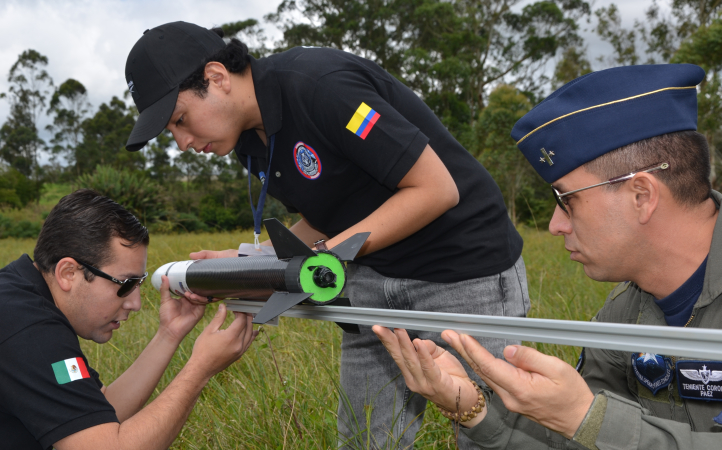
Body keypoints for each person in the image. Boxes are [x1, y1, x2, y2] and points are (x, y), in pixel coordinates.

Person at [122, 21, 529, 448]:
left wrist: (320, 259)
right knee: (364, 440)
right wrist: (246, 262)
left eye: (180, 120)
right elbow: (323, 216)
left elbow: (436, 189)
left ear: (217, 77)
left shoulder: (321, 87)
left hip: (464, 273)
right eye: (172, 132)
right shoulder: (246, 140)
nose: (183, 142)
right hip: (371, 284)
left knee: (491, 433)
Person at [374, 63, 722, 449]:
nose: (556, 225)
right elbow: (583, 441)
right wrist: (473, 408)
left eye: (566, 199)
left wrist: (583, 417)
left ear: (642, 196)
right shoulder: (624, 314)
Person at [0, 189, 258, 450]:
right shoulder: (29, 331)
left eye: (139, 283)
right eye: (125, 284)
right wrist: (200, 370)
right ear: (68, 273)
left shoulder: (22, 298)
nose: (136, 303)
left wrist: (169, 334)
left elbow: (96, 414)